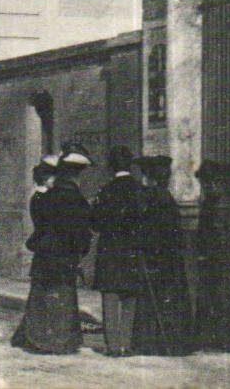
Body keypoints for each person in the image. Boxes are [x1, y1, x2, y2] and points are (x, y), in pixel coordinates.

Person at [12, 152, 92, 354]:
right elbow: (83, 232)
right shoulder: (78, 200)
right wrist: (81, 251)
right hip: (65, 255)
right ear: (76, 176)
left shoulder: (46, 197)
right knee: (63, 295)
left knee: (41, 294)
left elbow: (40, 225)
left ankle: (35, 338)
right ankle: (60, 340)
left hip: (45, 253)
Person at [131, 155, 193, 355]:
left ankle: (155, 343)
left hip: (156, 256)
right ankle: (172, 341)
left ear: (149, 177)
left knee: (155, 300)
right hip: (169, 257)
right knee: (170, 299)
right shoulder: (165, 197)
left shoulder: (151, 198)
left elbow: (150, 229)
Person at [192, 160, 230, 352]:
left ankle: (221, 339)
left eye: (207, 183)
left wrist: (205, 255)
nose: (206, 187)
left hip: (221, 262)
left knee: (221, 299)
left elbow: (216, 236)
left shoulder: (218, 206)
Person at [91, 145, 144, 356]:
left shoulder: (106, 191)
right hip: (133, 248)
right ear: (130, 165)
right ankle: (126, 344)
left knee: (110, 297)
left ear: (112, 166)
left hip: (110, 250)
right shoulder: (139, 190)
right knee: (130, 297)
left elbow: (95, 222)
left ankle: (112, 346)